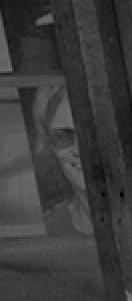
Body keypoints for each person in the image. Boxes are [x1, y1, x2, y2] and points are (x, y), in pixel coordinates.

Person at [32, 82, 91, 237]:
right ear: (48, 141)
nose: (79, 150)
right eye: (65, 135)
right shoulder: (47, 228)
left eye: (92, 135)